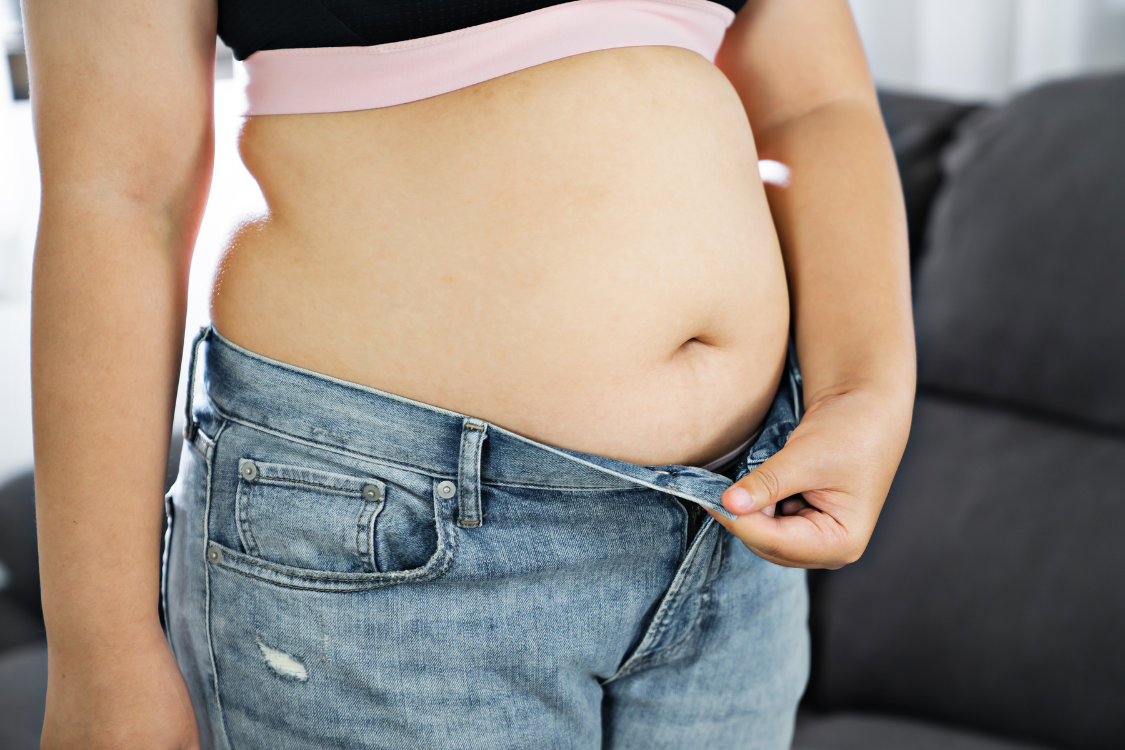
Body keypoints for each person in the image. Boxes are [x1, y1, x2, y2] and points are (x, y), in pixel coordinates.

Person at [26, 0, 915, 747]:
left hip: (735, 533)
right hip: (389, 536)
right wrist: (100, 650)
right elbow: (116, 192)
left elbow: (815, 103)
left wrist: (862, 390)